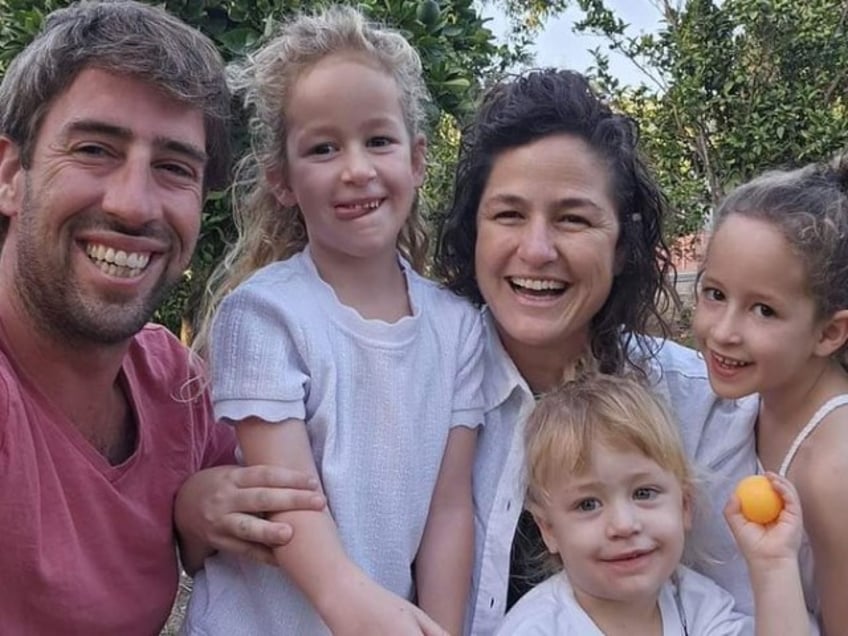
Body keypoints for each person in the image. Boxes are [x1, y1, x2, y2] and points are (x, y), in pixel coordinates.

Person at [0, 2, 324, 633]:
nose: (132, 204)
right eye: (95, 149)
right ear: (11, 174)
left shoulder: (172, 383)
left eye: (174, 167)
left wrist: (194, 508)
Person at [183, 6, 483, 635]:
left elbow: (449, 510)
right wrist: (354, 605)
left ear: (417, 159)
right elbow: (285, 495)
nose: (356, 168)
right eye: (323, 148)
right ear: (283, 181)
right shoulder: (264, 314)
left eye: (378, 140)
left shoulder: (458, 328)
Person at [431, 68, 761, 634]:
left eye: (573, 218)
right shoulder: (420, 383)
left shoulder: (699, 406)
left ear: (622, 247)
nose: (536, 250)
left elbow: (748, 607)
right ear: (473, 232)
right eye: (509, 214)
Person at [495, 373, 808, 635]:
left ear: (684, 505)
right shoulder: (537, 629)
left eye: (643, 493)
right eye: (588, 504)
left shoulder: (695, 605)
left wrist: (774, 565)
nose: (624, 525)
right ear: (548, 529)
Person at [692, 159, 848, 634]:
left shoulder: (832, 468)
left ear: (829, 332)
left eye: (763, 310)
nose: (723, 331)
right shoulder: (762, 396)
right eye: (714, 294)